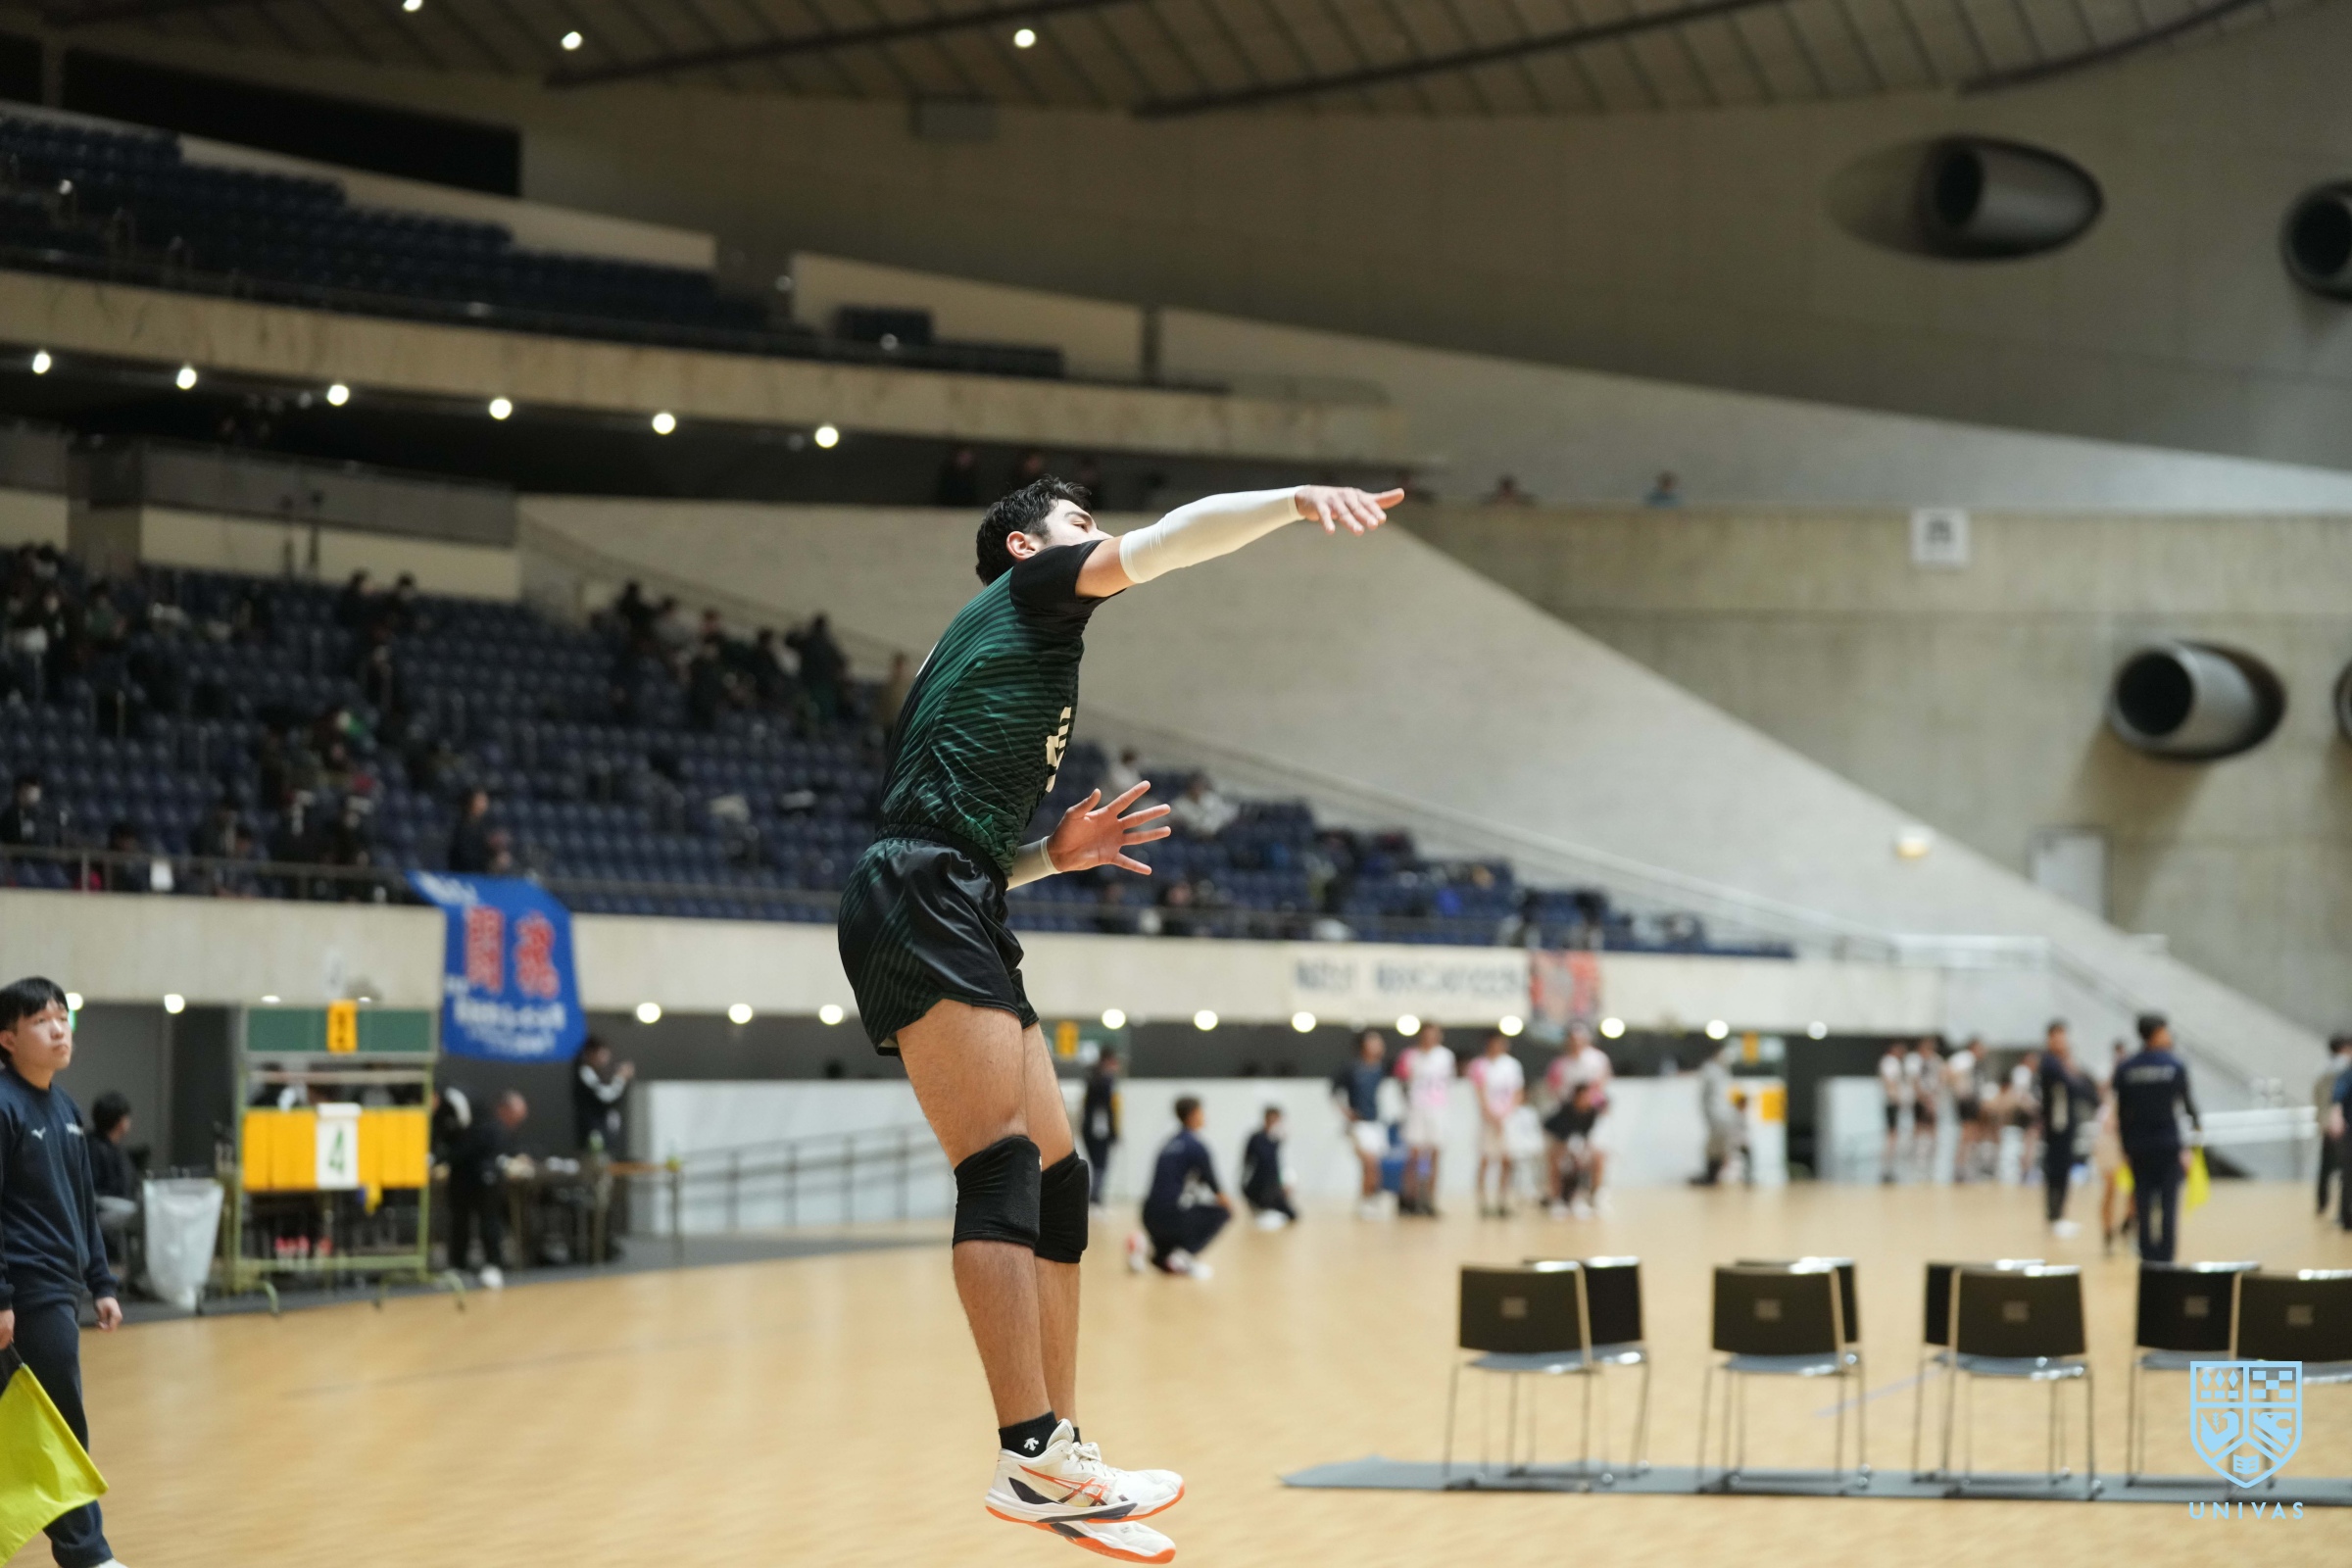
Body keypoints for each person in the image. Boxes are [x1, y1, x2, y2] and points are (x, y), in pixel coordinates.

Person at [832, 473, 1396, 1558]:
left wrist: (1052, 856)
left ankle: (1063, 1455)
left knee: (1058, 1175)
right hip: (918, 892)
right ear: (1023, 546)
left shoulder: (1014, 641)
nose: (1096, 539)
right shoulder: (1033, 590)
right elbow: (1176, 540)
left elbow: (962, 840)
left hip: (957, 889)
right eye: (1077, 525)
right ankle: (1027, 1452)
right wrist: (1293, 500)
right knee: (999, 1166)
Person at [0, 975, 125, 1568]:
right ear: (7, 1039)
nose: (58, 1030)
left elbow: (83, 1206)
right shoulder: (4, 1106)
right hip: (25, 1292)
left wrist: (101, 1282)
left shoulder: (68, 1110)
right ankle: (87, 1555)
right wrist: (2, 1295)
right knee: (60, 1423)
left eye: (62, 1018)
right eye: (41, 1021)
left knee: (46, 1422)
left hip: (59, 1288)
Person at [2113, 1014, 2201, 1263]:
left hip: (2139, 1147)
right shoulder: (2174, 1066)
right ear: (2157, 1034)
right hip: (2168, 1146)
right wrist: (2192, 1147)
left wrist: (2125, 1147)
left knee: (2142, 1203)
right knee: (2168, 1205)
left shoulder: (2126, 1068)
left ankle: (2148, 1258)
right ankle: (2166, 1258)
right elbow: (2189, 1108)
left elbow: (2122, 1113)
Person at [1129, 1097, 1230, 1277]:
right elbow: (1217, 1190)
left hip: (1148, 1215)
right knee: (1224, 1213)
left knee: (1164, 1260)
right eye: (1201, 1113)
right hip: (1172, 1216)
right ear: (1192, 1115)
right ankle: (1184, 1256)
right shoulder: (1197, 1147)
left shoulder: (1168, 1144)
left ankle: (1146, 1247)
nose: (1204, 1117)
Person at [443, 1089, 528, 1289]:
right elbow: (463, 1150)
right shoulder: (483, 1123)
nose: (516, 1122)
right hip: (466, 1179)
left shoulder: (502, 1130)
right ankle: (459, 1266)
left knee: (490, 1223)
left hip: (488, 1182)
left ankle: (493, 1265)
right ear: (504, 1109)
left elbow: (507, 1152)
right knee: (462, 1223)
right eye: (514, 1116)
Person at [1544, 1024, 1614, 1216]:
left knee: (1596, 1155)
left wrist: (1592, 1105)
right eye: (1572, 1040)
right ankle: (1559, 1198)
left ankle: (1595, 1196)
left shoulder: (1598, 1060)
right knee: (1560, 1157)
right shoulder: (1560, 1064)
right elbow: (1553, 1089)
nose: (1576, 1043)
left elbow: (1602, 1083)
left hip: (1591, 1115)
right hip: (1568, 1117)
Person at [2035, 1022, 2090, 1237]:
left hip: (2065, 1123)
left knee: (2062, 1169)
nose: (2062, 1042)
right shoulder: (2051, 1062)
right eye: (2058, 1037)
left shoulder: (2059, 1062)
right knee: (2057, 1170)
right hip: (2057, 1125)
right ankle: (2055, 1215)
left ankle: (2058, 1214)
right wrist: (2070, 1069)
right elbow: (2074, 1086)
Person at [1396, 1023, 1455, 1217]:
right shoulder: (1410, 1056)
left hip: (1437, 1111)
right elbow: (1402, 1082)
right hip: (1416, 1110)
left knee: (1433, 1156)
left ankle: (1429, 1199)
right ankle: (1409, 1197)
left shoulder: (1445, 1056)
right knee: (1414, 1156)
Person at [1333, 1029, 1390, 1220]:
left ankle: (1369, 1199)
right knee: (1369, 1163)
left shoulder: (1380, 1068)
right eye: (1373, 1042)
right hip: (1359, 1124)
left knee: (1374, 1167)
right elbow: (1334, 1092)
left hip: (1375, 1123)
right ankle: (1366, 1201)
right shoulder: (1352, 1068)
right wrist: (1346, 1112)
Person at [1467, 1030, 1524, 1218]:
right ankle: (1483, 1201)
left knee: (1507, 1160)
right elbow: (1479, 1092)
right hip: (1487, 1119)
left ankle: (1502, 1200)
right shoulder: (1479, 1065)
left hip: (1507, 1119)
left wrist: (1506, 1115)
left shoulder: (1512, 1065)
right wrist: (1491, 1115)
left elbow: (1517, 1092)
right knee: (1485, 1159)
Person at [85, 1090, 139, 1267]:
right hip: (101, 1209)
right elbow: (92, 1190)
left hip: (118, 1205)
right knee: (141, 1215)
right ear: (121, 1121)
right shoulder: (93, 1147)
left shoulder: (117, 1149)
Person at [2094, 1039, 2133, 1253]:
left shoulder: (2131, 1077)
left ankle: (2128, 1224)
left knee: (2134, 1189)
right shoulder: (2108, 1077)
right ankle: (2107, 1232)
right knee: (2110, 1189)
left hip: (2128, 1137)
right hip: (2110, 1139)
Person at [571, 1037, 633, 1154]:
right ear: (591, 1053)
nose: (605, 1059)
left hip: (604, 1138)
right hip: (593, 1140)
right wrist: (620, 1078)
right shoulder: (585, 1073)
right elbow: (606, 1098)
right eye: (602, 1054)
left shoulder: (594, 1074)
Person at [1240, 1106, 1297, 1228]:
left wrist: (1284, 1184)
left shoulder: (1276, 1140)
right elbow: (1250, 1164)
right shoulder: (1257, 1138)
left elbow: (1277, 1166)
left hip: (1273, 1188)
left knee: (1291, 1215)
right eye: (1274, 1120)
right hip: (1259, 1188)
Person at [2316, 1034, 2352, 1219]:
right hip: (2339, 1125)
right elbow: (2333, 1098)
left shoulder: (2325, 1069)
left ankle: (2324, 1204)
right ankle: (2344, 1213)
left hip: (2330, 1123)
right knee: (2345, 1169)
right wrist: (2333, 1119)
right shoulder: (2342, 1070)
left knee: (2329, 1167)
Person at [1081, 1054, 1120, 1208]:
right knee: (1100, 1164)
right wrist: (1113, 1132)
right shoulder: (1104, 1081)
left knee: (1098, 1164)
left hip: (1092, 1128)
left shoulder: (1093, 1079)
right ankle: (1095, 1197)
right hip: (1098, 1130)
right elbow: (1109, 1109)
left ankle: (1095, 1196)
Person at [1946, 1036, 1985, 1183]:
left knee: (1972, 1133)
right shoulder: (1966, 1058)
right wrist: (1960, 1089)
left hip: (1971, 1100)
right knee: (1967, 1133)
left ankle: (1964, 1166)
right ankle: (1960, 1167)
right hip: (1966, 1100)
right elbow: (1949, 1072)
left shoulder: (1973, 1061)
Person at [1877, 1040, 1912, 1184]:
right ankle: (1887, 1169)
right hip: (1893, 1103)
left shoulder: (1892, 1062)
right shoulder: (1890, 1062)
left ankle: (1889, 1169)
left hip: (1894, 1102)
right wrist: (1896, 1097)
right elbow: (1889, 1081)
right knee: (1892, 1136)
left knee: (1894, 1136)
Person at [448, 788, 497, 875]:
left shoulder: (483, 827)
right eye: (480, 801)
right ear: (470, 802)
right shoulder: (460, 827)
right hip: (462, 874)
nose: (484, 804)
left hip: (479, 874)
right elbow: (465, 856)